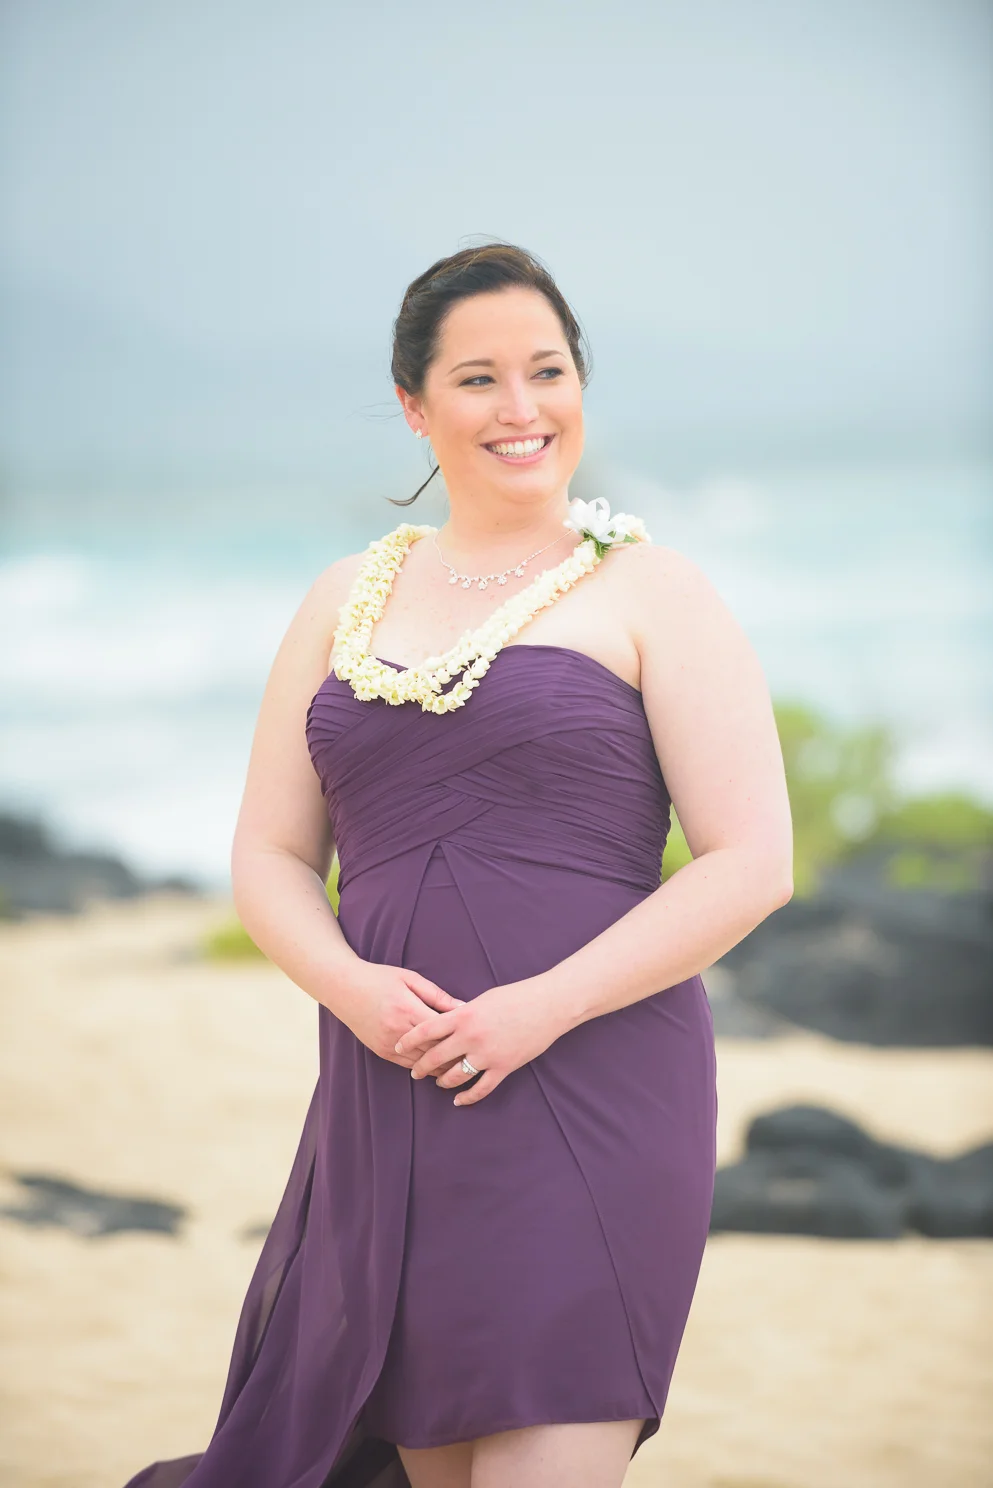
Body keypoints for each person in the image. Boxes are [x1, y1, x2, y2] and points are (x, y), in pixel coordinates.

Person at [123, 242, 793, 1488]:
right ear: (415, 405)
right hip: (396, 1090)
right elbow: (270, 852)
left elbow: (751, 863)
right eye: (480, 379)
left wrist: (540, 1010)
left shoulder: (655, 592)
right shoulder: (341, 598)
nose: (523, 408)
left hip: (595, 1080)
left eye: (548, 370)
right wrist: (355, 992)